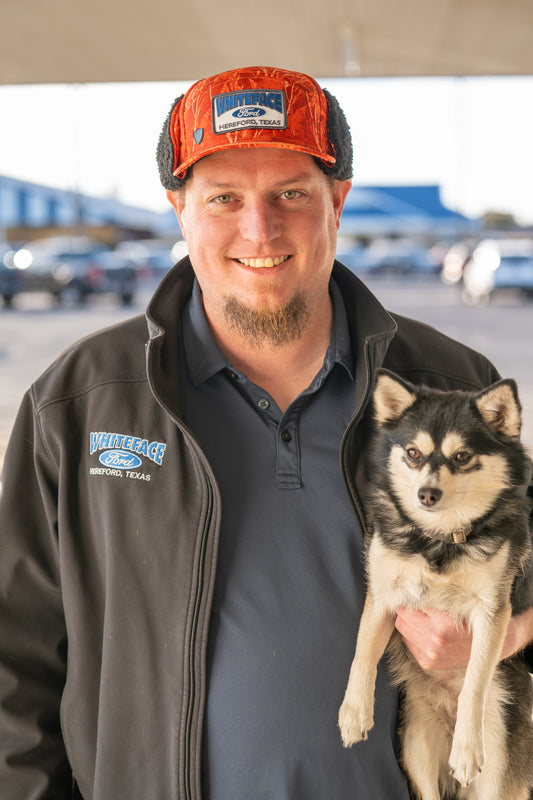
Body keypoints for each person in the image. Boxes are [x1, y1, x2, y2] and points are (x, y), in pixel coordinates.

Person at [0, 65, 531, 800]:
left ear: (336, 201)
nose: (259, 230)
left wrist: (503, 636)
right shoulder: (81, 404)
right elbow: (14, 668)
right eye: (223, 199)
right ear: (178, 209)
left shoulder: (449, 386)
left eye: (290, 194)